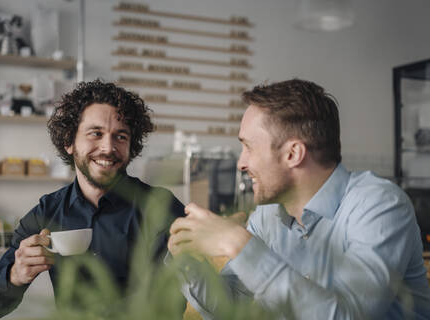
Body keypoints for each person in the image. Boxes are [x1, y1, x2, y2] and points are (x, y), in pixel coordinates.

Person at [168, 79, 430, 319]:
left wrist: (238, 243)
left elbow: (346, 316)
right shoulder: (267, 215)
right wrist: (189, 262)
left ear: (293, 153)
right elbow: (232, 307)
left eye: (249, 147)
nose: (241, 163)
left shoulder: (380, 206)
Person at [0, 80, 185, 319]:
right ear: (69, 141)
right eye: (95, 133)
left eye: (120, 136)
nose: (108, 147)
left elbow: (172, 298)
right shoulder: (47, 212)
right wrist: (16, 274)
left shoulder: (160, 207)